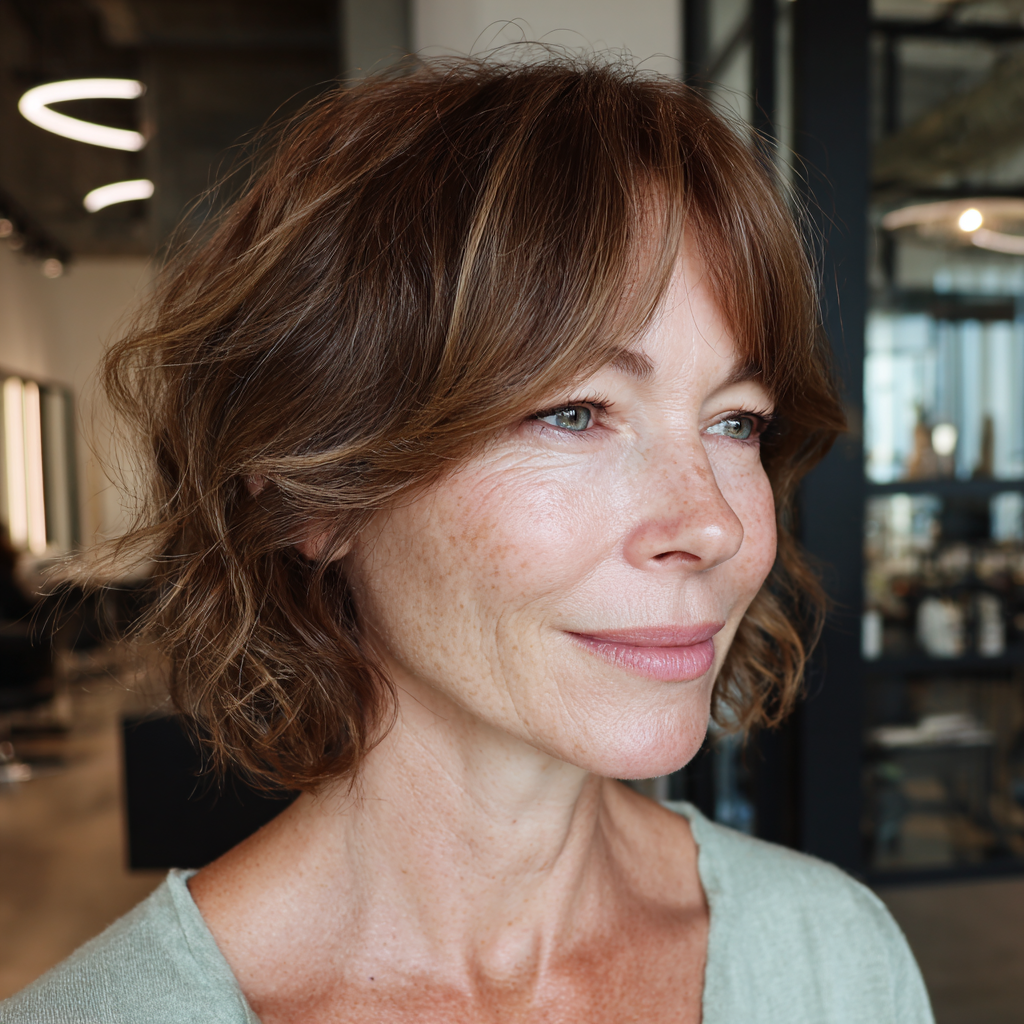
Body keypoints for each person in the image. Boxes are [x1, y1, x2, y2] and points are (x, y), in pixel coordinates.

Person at [0, 57, 933, 1023]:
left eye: (735, 421)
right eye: (573, 412)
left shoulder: (834, 959)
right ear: (312, 495)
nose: (714, 524)